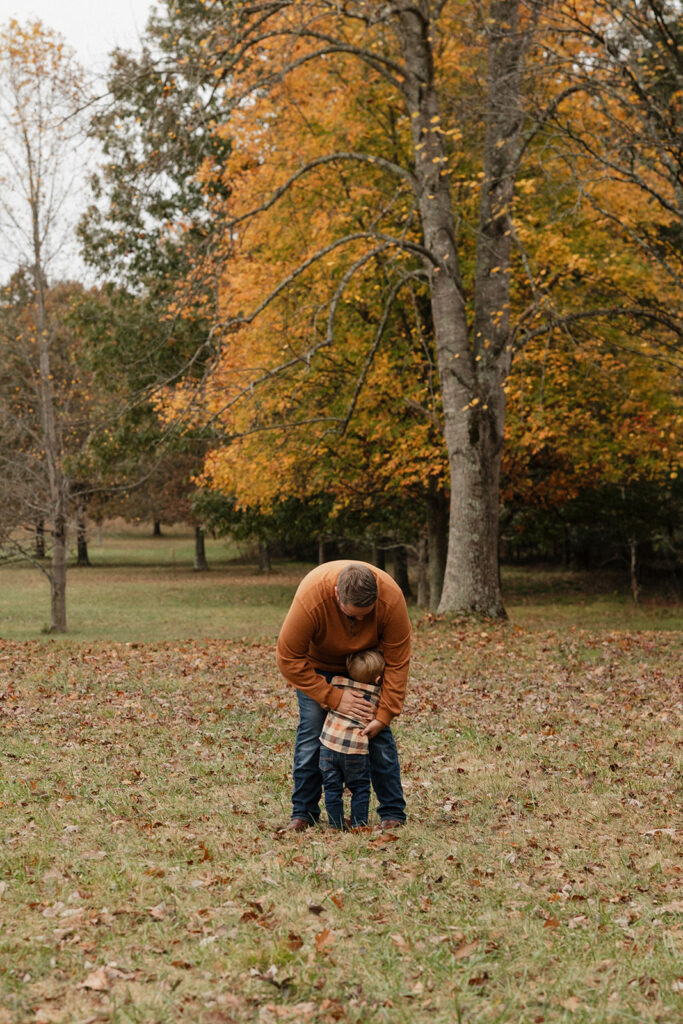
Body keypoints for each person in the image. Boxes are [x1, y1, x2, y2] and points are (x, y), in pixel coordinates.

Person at [276, 560, 411, 831]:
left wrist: (385, 714)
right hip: (318, 668)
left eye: (366, 615)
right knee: (312, 731)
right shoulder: (312, 595)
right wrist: (333, 697)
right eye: (352, 616)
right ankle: (303, 811)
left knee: (377, 736)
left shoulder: (391, 599)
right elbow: (288, 658)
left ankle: (393, 812)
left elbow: (397, 662)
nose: (360, 621)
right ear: (337, 594)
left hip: (364, 668)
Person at [319, 648, 386, 829]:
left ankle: (335, 825)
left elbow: (325, 702)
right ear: (378, 679)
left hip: (328, 747)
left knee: (332, 789)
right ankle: (359, 825)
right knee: (360, 788)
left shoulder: (337, 683)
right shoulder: (378, 695)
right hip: (355, 750)